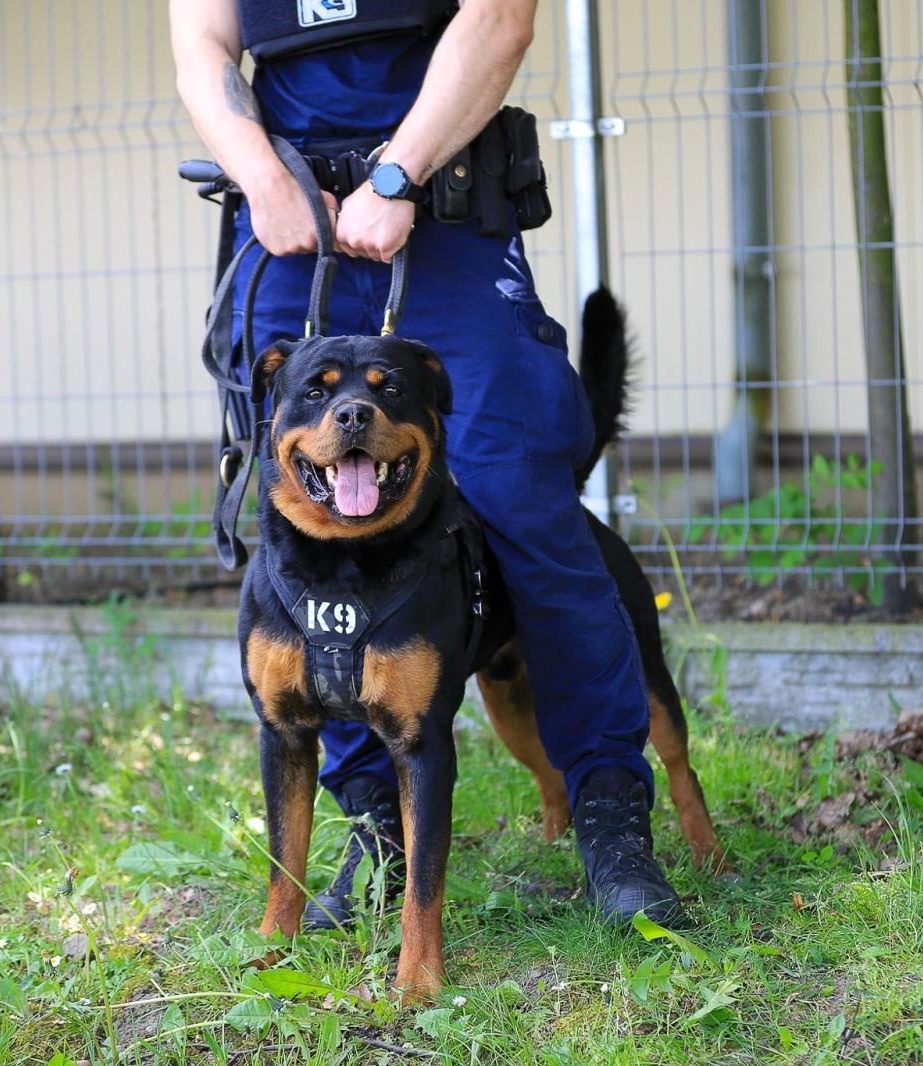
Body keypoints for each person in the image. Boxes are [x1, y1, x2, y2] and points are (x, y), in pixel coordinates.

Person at [170, 0, 681, 926]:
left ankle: (609, 810)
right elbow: (202, 46)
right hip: (286, 219)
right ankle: (377, 824)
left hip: (443, 204)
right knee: (315, 521)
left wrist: (398, 174)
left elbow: (501, 19)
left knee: (524, 503)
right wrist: (262, 177)